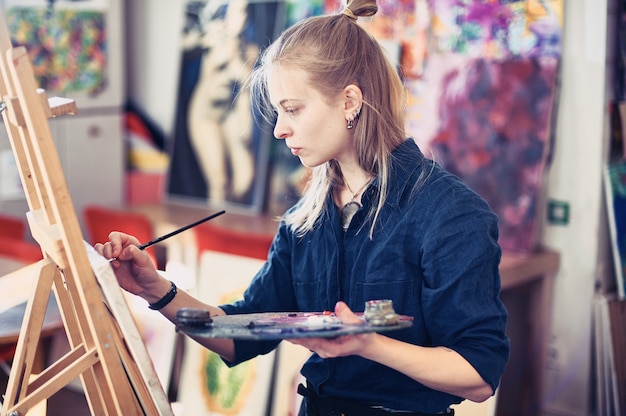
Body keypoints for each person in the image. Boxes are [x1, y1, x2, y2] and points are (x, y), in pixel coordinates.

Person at [95, 1, 510, 414]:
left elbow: (477, 373)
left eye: (292, 109)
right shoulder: (305, 220)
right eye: (278, 111)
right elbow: (240, 333)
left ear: (350, 101)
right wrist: (156, 289)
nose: (279, 129)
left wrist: (370, 344)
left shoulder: (449, 214)